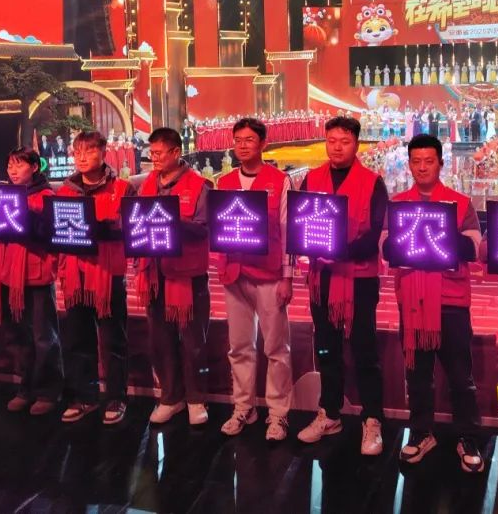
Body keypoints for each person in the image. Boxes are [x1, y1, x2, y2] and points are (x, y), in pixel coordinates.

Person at [387, 134, 485, 472]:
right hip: (413, 301)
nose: (422, 167)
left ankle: (467, 436)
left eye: (429, 161)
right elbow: (387, 247)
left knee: (461, 376)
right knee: (417, 374)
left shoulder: (460, 203)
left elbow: (474, 248)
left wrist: (434, 227)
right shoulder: (399, 202)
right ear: (408, 164)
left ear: (441, 163)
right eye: (416, 161)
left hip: (451, 301)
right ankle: (420, 432)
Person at [296, 116, 387, 455]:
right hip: (322, 279)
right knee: (326, 349)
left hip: (359, 279)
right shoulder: (311, 178)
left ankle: (372, 419)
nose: (337, 147)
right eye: (331, 140)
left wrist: (339, 251)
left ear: (356, 144)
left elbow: (374, 235)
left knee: (365, 351)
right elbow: (301, 223)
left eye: (344, 141)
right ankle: (329, 413)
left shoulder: (373, 182)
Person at [216, 118, 293, 441]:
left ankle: (278, 414)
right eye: (238, 140)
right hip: (235, 273)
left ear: (263, 143)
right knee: (239, 346)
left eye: (249, 140)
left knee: (276, 348)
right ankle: (244, 407)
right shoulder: (224, 182)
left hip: (269, 274)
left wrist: (288, 276)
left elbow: (288, 231)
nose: (242, 145)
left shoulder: (280, 180)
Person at [135, 127, 212, 426]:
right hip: (154, 273)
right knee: (161, 339)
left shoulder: (199, 185)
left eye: (158, 153)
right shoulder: (146, 184)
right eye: (151, 153)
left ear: (176, 152)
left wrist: (172, 221)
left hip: (188, 275)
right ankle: (170, 397)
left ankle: (196, 399)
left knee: (193, 340)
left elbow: (204, 229)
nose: (153, 158)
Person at [58, 131, 135, 424]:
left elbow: (132, 230)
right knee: (78, 340)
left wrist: (108, 229)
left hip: (108, 274)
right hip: (75, 276)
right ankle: (84, 397)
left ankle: (116, 397)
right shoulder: (65, 191)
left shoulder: (123, 188)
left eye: (89, 151)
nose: (81, 157)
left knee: (113, 340)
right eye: (77, 151)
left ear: (104, 153)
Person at [0, 148, 63, 415]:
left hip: (37, 273)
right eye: (10, 166)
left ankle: (48, 391)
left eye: (19, 165)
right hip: (7, 274)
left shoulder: (47, 196)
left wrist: (24, 216)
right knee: (16, 334)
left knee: (43, 337)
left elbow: (49, 235)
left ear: (35, 167)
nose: (13, 171)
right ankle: (25, 387)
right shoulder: (4, 195)